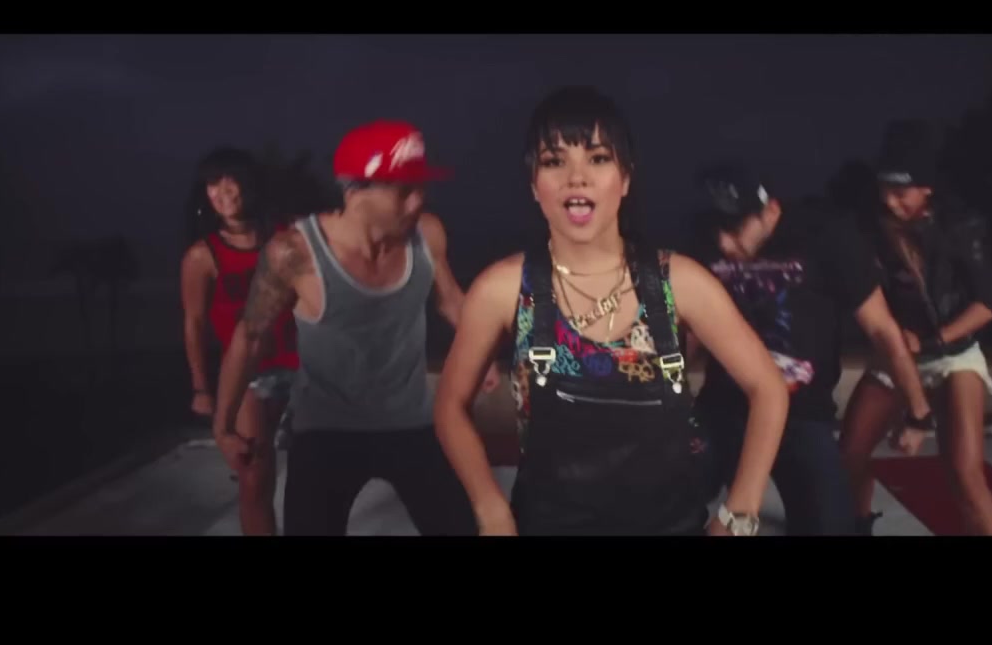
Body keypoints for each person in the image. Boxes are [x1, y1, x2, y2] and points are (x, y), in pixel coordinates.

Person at [433, 86, 790, 536]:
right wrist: (490, 509)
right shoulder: (501, 290)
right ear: (534, 185)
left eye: (598, 158)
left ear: (624, 179)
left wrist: (739, 512)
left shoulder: (680, 282)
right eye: (554, 161)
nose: (576, 177)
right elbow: (450, 406)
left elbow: (768, 388)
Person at [213, 120, 499, 536]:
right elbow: (250, 335)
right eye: (404, 190)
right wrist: (222, 425)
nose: (418, 200)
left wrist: (483, 354)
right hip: (326, 432)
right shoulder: (295, 253)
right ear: (355, 191)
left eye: (422, 188)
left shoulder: (427, 235)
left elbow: (451, 300)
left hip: (412, 424)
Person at [689, 165, 932, 536]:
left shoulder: (825, 235)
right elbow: (689, 331)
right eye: (719, 227)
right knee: (661, 500)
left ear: (771, 211)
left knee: (831, 526)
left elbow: (882, 328)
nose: (724, 242)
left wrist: (917, 412)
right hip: (724, 407)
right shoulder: (702, 243)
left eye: (737, 227)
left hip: (802, 414)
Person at [839, 120, 992, 536]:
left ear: (927, 187)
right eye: (884, 190)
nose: (889, 201)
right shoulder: (869, 224)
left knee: (964, 474)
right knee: (849, 456)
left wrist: (931, 340)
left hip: (953, 355)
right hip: (897, 353)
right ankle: (859, 527)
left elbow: (988, 304)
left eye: (901, 193)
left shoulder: (962, 224)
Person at [180, 147, 298, 536]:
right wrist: (201, 388)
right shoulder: (202, 256)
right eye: (213, 183)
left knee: (315, 481)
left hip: (304, 369)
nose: (223, 191)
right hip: (248, 376)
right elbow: (194, 323)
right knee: (254, 481)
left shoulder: (286, 238)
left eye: (231, 180)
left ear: (251, 184)